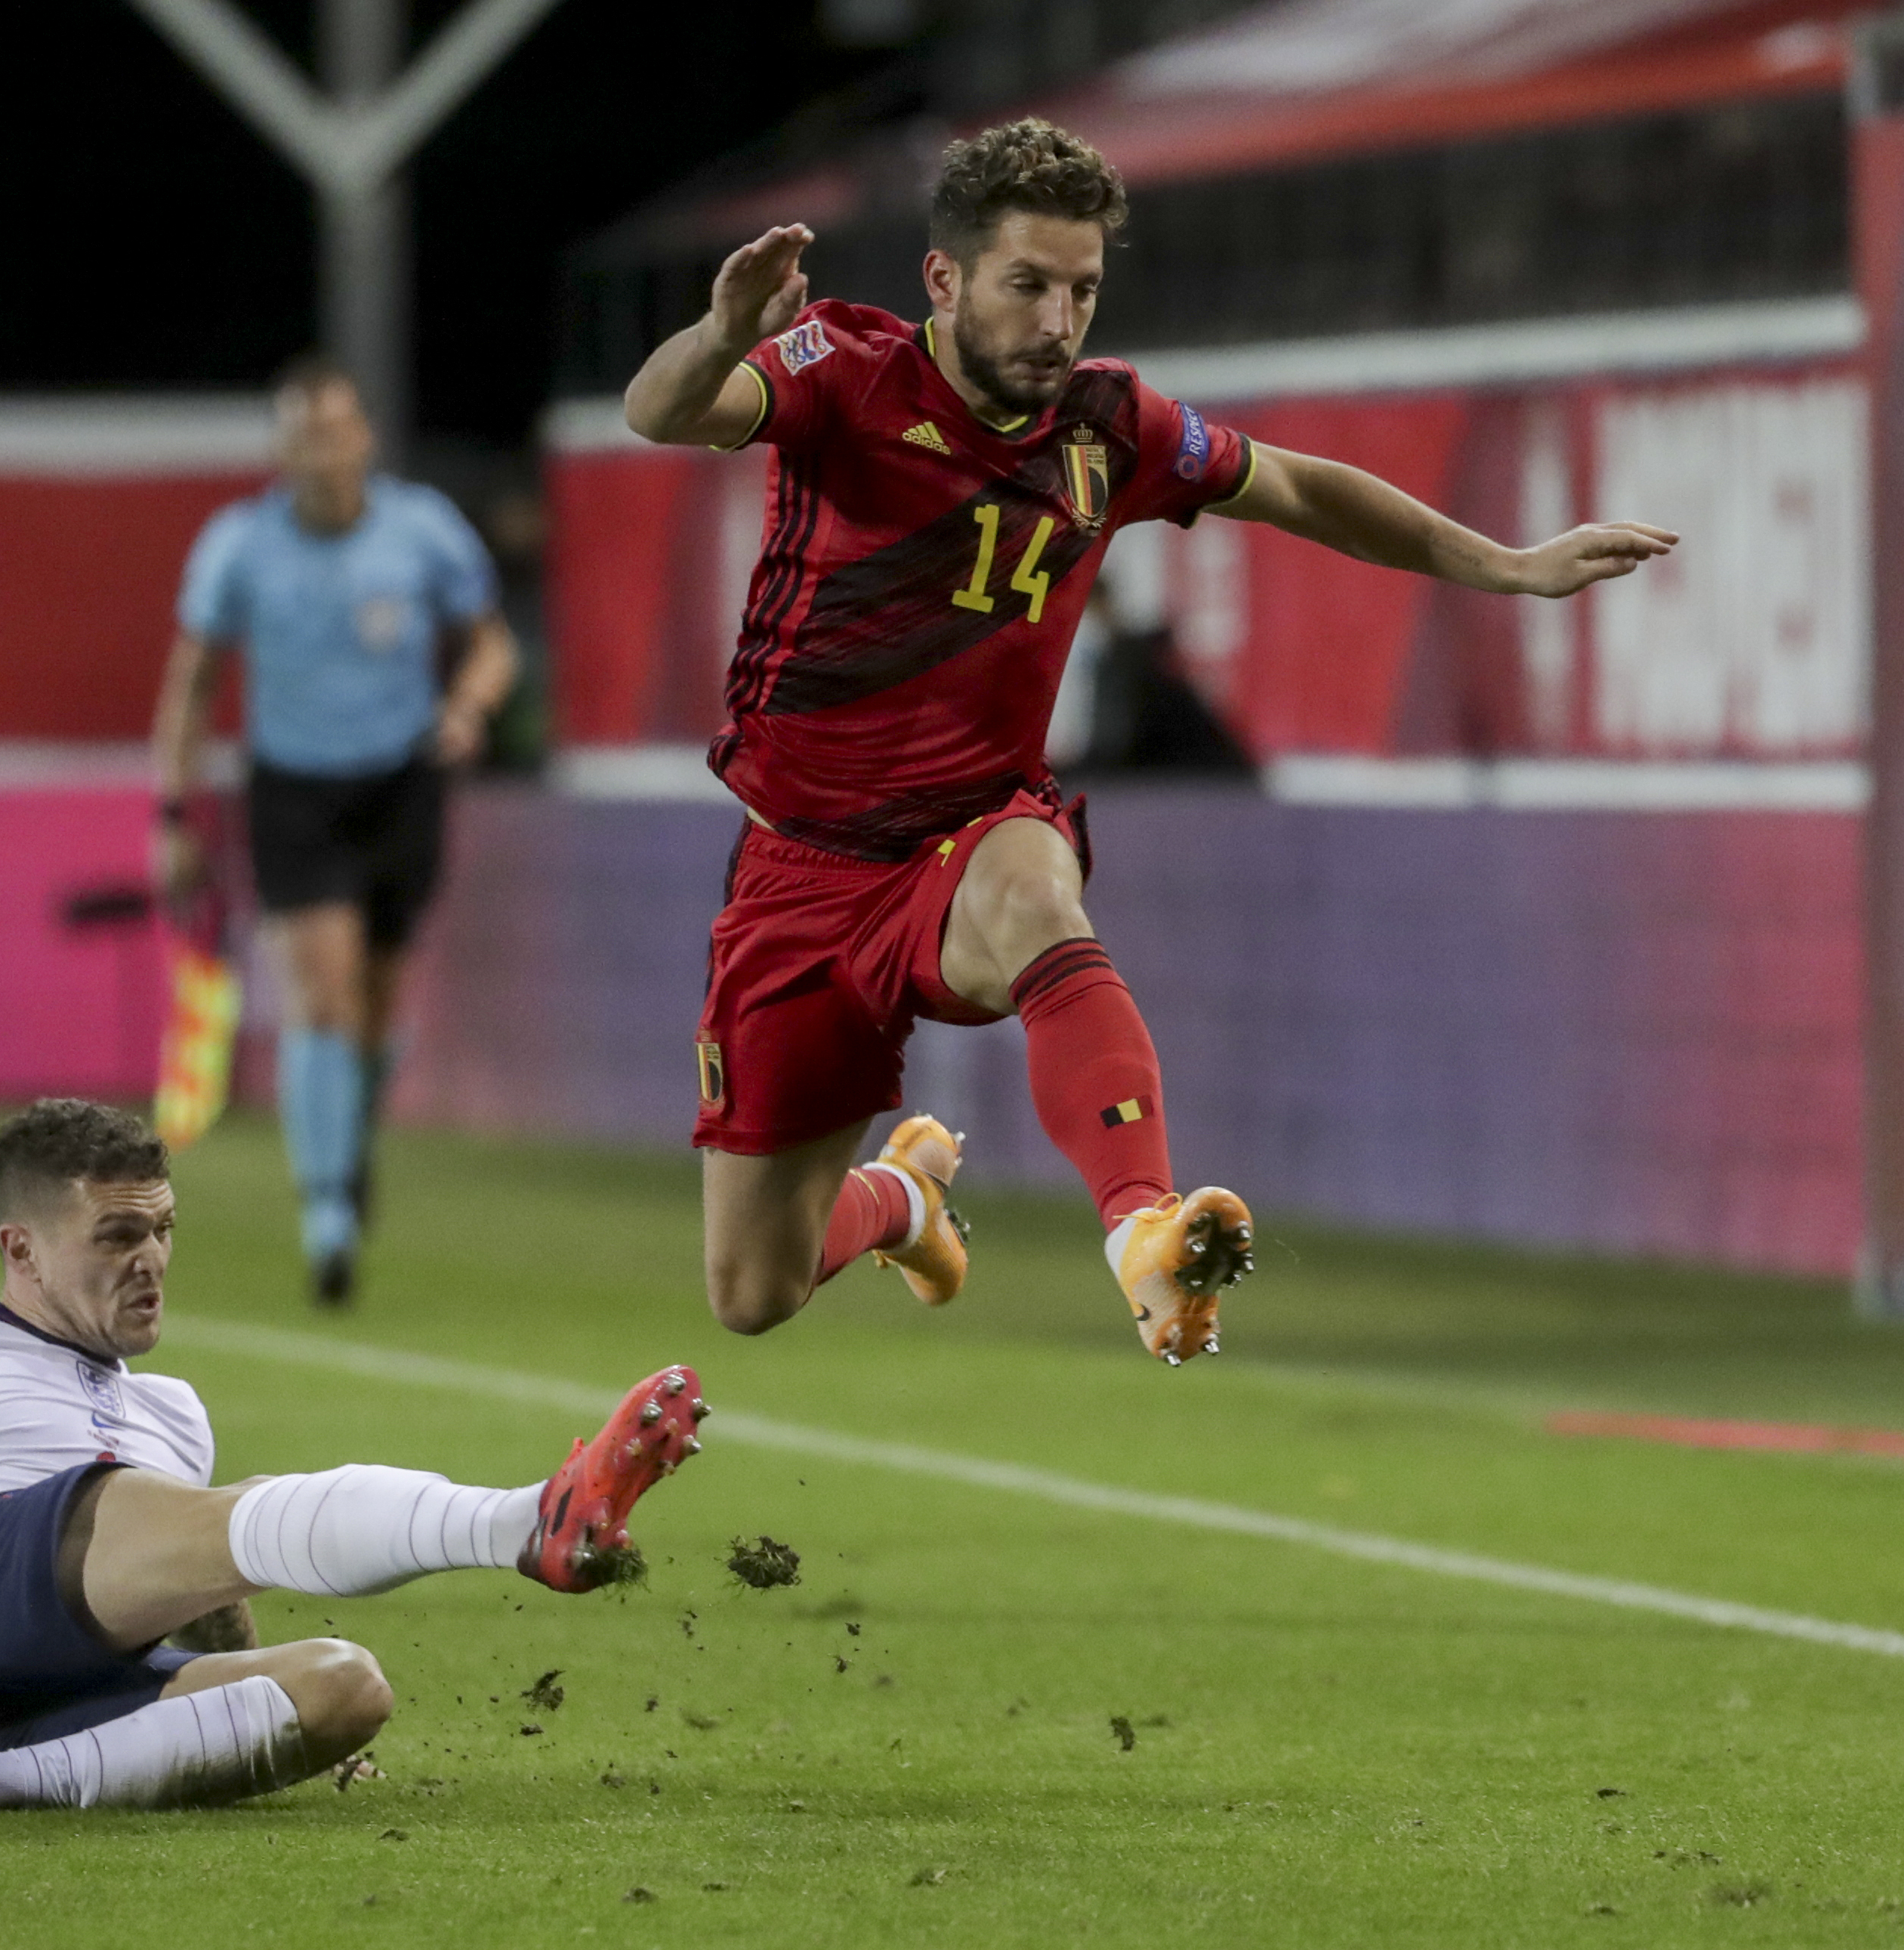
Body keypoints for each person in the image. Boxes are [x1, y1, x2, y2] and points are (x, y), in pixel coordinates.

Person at [620, 119, 1677, 1364]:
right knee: (753, 1288)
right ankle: (903, 1199)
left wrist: (1503, 565)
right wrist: (720, 334)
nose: (1057, 322)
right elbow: (662, 409)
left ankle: (1145, 1232)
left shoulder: (1110, 427)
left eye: (1081, 290)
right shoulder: (843, 373)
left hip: (966, 837)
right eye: (1027, 285)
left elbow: (1296, 486)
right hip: (798, 870)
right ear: (944, 280)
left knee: (1033, 889)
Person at [0, 1099, 703, 1816]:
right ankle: (523, 1521)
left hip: (48, 1683)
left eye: (164, 1228)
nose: (152, 1260)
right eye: (118, 1235)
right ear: (22, 1248)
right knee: (158, 1502)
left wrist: (285, 1725)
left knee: (345, 1685)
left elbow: (199, 1583)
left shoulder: (171, 1410)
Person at [153, 359, 523, 1306]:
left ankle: (348, 1145)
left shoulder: (422, 530)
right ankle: (326, 1212)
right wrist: (174, 811)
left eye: (334, 431)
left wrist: (468, 706)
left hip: (401, 783)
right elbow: (193, 679)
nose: (320, 452)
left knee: (376, 1010)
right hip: (293, 792)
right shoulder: (239, 545)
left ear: (364, 439)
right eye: (301, 436)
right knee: (322, 996)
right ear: (281, 450)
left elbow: (491, 641)